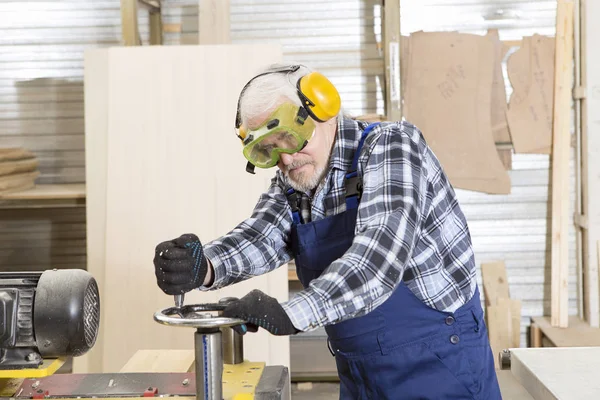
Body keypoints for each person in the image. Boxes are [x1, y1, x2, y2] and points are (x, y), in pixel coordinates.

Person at [153, 63, 502, 399]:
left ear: (323, 108)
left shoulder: (392, 146)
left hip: (440, 367)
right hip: (362, 375)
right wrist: (205, 265)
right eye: (268, 151)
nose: (285, 160)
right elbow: (261, 236)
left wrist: (289, 313)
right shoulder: (295, 177)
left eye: (289, 138)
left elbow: (376, 261)